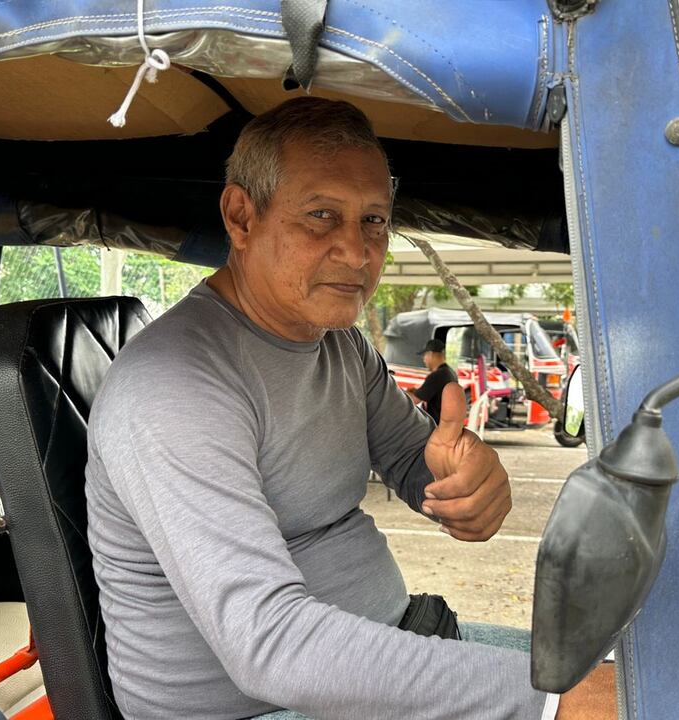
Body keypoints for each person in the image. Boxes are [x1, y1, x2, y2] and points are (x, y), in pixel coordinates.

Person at [86, 97, 609, 720]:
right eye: (321, 216)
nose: (358, 253)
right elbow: (270, 645)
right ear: (241, 217)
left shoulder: (340, 346)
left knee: (629, 675)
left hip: (386, 648)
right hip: (254, 707)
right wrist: (550, 704)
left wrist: (466, 481)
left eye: (374, 222)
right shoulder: (175, 386)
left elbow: (418, 464)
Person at [406, 338, 459, 420]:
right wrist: (415, 391)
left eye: (424, 355)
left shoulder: (437, 375)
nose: (423, 359)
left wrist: (399, 392)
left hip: (436, 425)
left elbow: (414, 400)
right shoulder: (450, 372)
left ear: (431, 354)